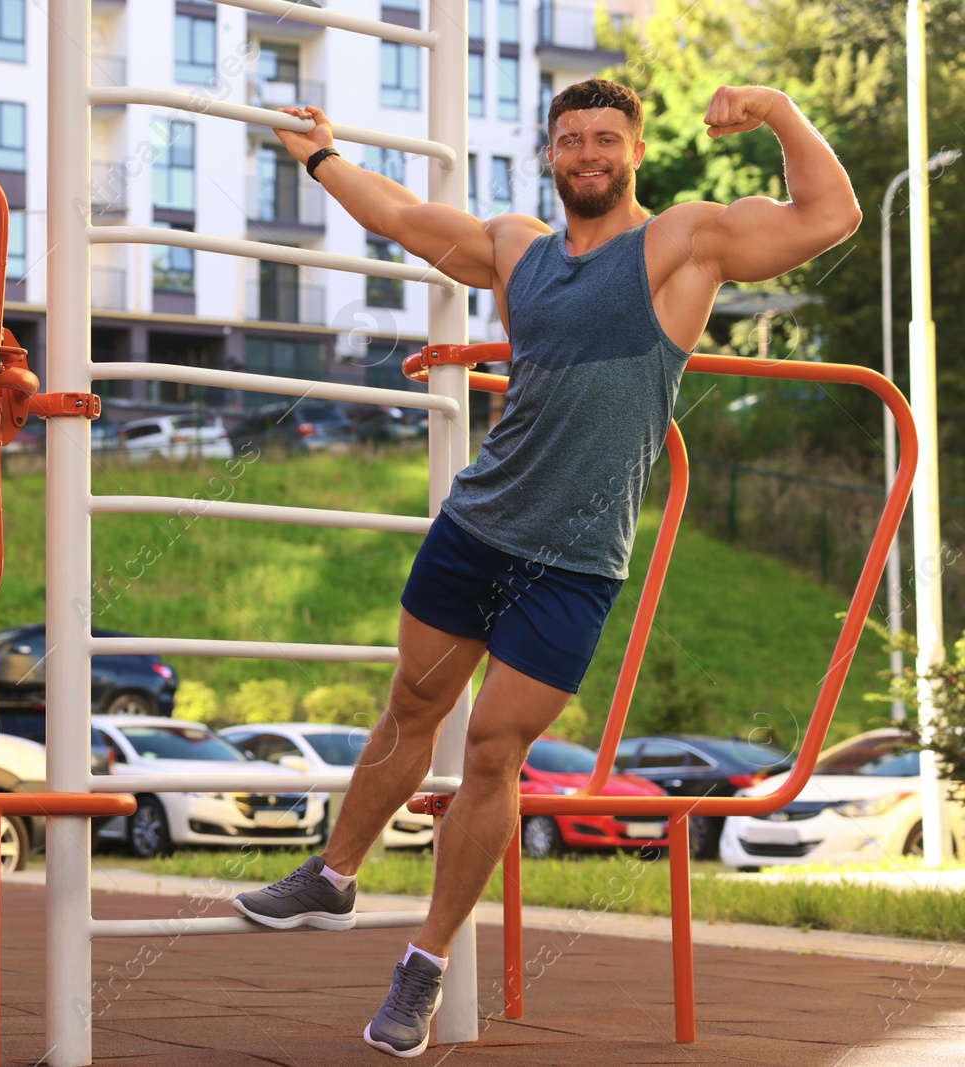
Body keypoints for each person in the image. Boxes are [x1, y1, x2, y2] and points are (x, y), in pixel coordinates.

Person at [232, 78, 861, 1058]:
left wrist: (779, 108)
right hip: (476, 528)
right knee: (410, 705)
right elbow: (399, 215)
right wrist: (319, 155)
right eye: (570, 141)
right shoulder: (516, 249)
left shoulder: (681, 245)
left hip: (572, 562)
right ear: (550, 155)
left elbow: (830, 215)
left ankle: (425, 964)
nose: (587, 155)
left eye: (605, 138)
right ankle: (333, 872)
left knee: (489, 749)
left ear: (632, 151)